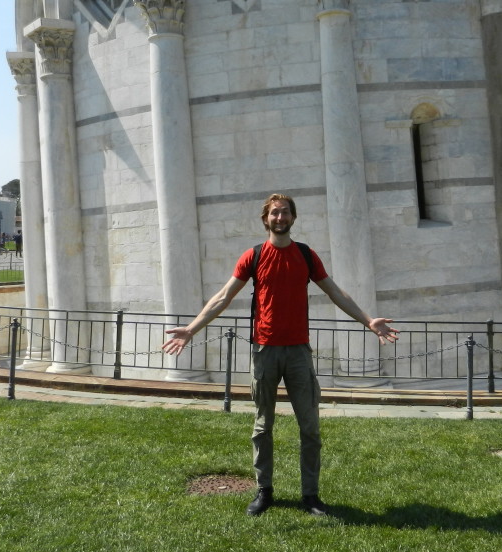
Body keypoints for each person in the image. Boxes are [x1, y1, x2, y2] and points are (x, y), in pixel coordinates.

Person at [162, 193, 399, 517]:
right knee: (263, 427)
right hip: (264, 352)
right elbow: (222, 297)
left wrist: (368, 320)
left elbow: (334, 291)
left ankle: (311, 496)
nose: (280, 217)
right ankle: (264, 491)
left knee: (310, 428)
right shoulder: (254, 256)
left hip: (299, 352)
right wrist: (191, 328)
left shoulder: (306, 255)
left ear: (292, 217)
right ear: (266, 219)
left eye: (285, 212)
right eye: (274, 213)